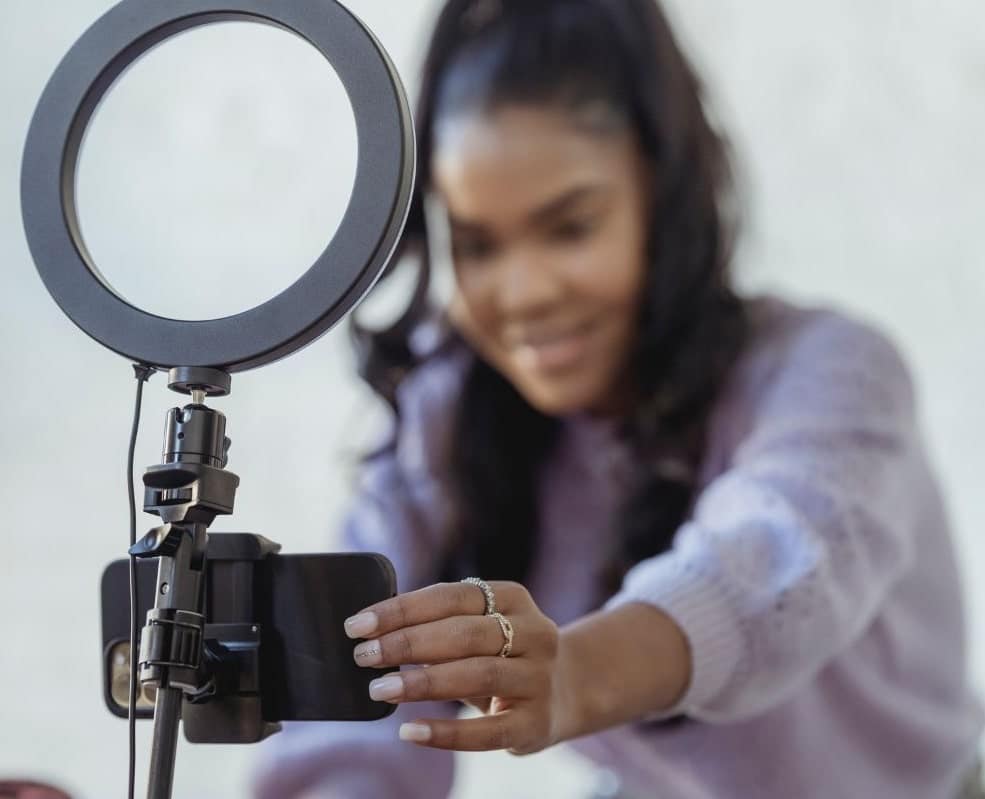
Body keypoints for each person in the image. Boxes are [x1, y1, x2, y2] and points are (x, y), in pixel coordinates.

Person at [253, 0, 984, 796]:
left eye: (570, 227)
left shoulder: (831, 372)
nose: (523, 293)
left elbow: (771, 563)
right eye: (477, 245)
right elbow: (354, 705)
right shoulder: (447, 416)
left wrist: (572, 673)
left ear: (661, 198)